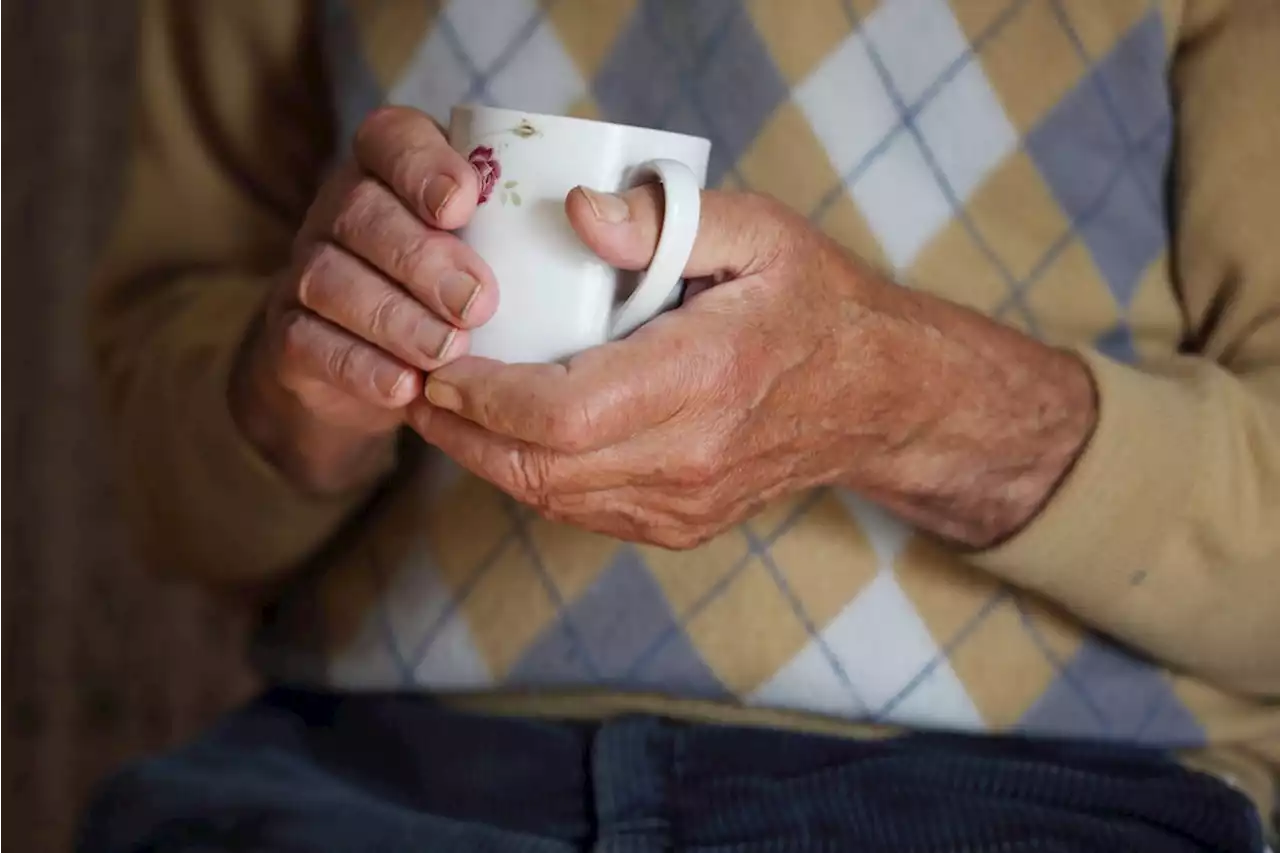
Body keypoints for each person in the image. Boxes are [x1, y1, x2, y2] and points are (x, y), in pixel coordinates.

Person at [79, 0, 1279, 850]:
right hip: (368, 772)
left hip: (1045, 783)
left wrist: (902, 399)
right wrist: (306, 381)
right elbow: (167, 506)